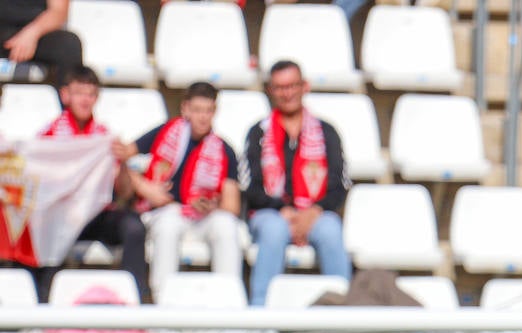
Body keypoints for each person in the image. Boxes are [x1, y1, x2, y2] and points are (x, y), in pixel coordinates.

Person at [115, 82, 243, 301]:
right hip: (165, 212)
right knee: (168, 225)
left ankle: (229, 304)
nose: (203, 117)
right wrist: (145, 187)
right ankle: (163, 303)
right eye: (197, 110)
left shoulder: (224, 150)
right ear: (185, 109)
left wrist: (212, 205)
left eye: (208, 111)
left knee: (227, 226)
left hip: (203, 217)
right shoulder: (165, 133)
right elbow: (120, 157)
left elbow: (232, 206)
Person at [240, 59, 351, 307]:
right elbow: (251, 186)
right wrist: (284, 210)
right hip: (270, 213)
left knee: (331, 231)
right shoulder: (258, 132)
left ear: (304, 86)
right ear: (271, 90)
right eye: (280, 87)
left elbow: (339, 183)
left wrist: (313, 211)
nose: (287, 93)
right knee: (274, 229)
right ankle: (261, 314)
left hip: (316, 213)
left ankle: (344, 312)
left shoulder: (326, 132)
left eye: (292, 85)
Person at [35, 66, 147, 302]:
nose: (85, 100)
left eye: (91, 94)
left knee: (134, 227)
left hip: (96, 214)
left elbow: (124, 193)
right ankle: (41, 308)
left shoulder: (105, 136)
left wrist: (124, 163)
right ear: (65, 95)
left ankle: (138, 305)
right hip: (61, 216)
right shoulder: (48, 137)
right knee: (43, 228)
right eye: (79, 93)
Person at [0, 0, 80, 84]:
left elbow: (58, 12)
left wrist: (31, 34)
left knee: (69, 45)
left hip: (38, 33)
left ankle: (72, 94)